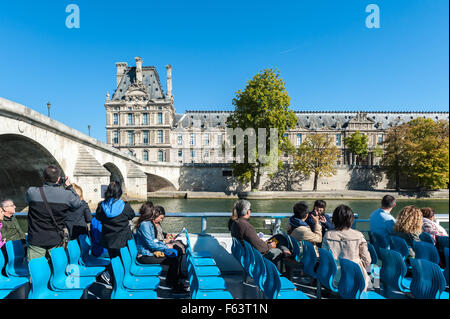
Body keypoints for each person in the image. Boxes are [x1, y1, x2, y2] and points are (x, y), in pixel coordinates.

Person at [25, 165, 82, 260]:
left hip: (36, 239)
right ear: (59, 178)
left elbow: (28, 200)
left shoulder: (32, 192)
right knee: (56, 270)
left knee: (36, 271)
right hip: (55, 238)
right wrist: (69, 186)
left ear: (43, 177)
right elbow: (78, 203)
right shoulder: (67, 195)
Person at [134, 205, 188, 293]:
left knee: (174, 257)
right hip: (144, 255)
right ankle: (174, 285)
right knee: (173, 260)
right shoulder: (145, 225)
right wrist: (166, 246)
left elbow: (154, 241)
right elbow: (151, 244)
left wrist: (164, 244)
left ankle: (172, 282)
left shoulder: (147, 224)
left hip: (150, 253)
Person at [322, 204, 372, 291]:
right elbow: (367, 261)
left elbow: (325, 259)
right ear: (351, 219)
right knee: (374, 274)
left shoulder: (328, 235)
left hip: (335, 278)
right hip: (356, 278)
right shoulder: (358, 235)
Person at [230, 200, 289, 265]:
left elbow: (253, 242)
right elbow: (260, 248)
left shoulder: (235, 223)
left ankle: (286, 251)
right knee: (278, 251)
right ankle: (286, 256)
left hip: (248, 254)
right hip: (256, 257)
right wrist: (270, 246)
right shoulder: (246, 226)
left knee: (278, 237)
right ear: (248, 212)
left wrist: (264, 243)